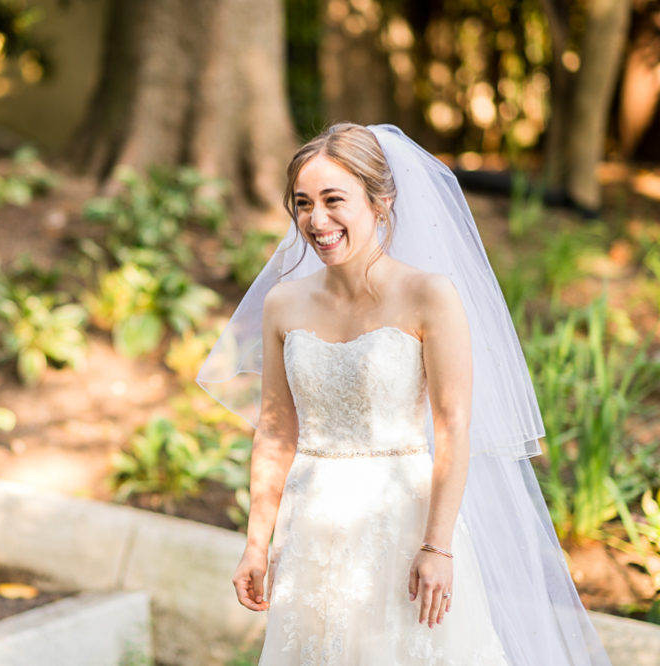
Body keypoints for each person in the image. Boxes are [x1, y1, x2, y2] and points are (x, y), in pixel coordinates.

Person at [198, 124, 612, 664]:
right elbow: (276, 430)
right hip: (311, 527)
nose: (316, 220)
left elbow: (453, 427)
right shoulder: (284, 304)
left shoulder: (429, 295)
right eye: (302, 203)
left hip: (403, 525)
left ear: (380, 202)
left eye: (333, 200)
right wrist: (257, 543)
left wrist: (437, 546)